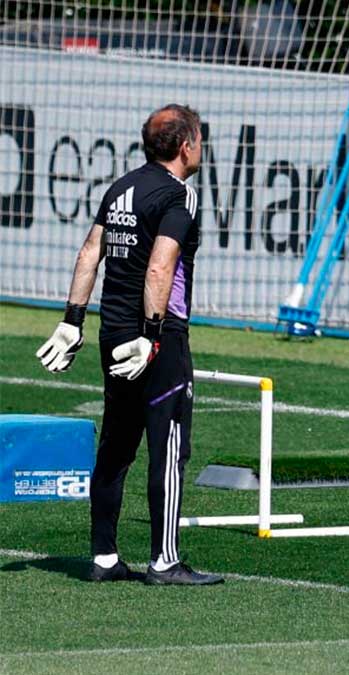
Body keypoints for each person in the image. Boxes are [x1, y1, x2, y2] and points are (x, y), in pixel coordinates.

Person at [35, 104, 222, 586]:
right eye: (199, 139)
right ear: (186, 146)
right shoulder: (180, 195)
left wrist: (71, 321)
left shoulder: (121, 187)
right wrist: (154, 335)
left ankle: (103, 558)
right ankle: (164, 562)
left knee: (117, 446)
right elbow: (161, 267)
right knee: (169, 446)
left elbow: (89, 253)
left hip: (112, 333)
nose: (201, 147)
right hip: (156, 340)